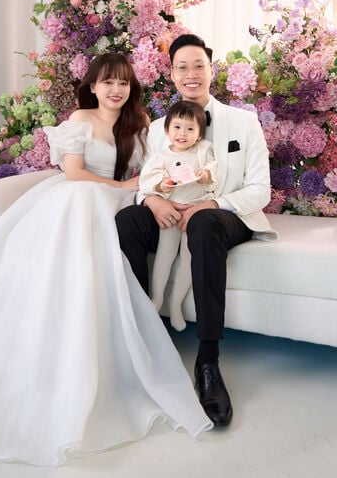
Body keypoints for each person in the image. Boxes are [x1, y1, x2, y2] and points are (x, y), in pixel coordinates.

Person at [0, 53, 212, 467]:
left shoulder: (142, 123)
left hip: (123, 199)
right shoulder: (80, 119)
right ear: (93, 86)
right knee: (79, 208)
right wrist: (122, 186)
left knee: (103, 217)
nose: (116, 90)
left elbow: (155, 167)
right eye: (108, 82)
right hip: (86, 193)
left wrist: (153, 187)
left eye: (124, 83)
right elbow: (74, 173)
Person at [116, 35, 276, 428]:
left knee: (203, 224)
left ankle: (207, 361)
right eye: (182, 67)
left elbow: (260, 190)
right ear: (172, 75)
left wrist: (212, 204)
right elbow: (148, 179)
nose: (191, 74)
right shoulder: (158, 128)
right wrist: (151, 200)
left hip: (226, 216)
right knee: (128, 219)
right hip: (172, 211)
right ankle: (145, 342)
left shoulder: (244, 121)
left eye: (198, 65)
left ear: (211, 69)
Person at [138, 100, 219, 331]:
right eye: (177, 127)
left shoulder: (203, 149)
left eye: (190, 128)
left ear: (199, 134)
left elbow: (214, 169)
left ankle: (175, 304)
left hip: (195, 210)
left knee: (188, 256)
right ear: (167, 130)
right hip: (171, 210)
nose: (182, 133)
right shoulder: (161, 155)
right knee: (165, 253)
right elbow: (147, 179)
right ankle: (157, 298)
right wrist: (161, 184)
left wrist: (206, 176)